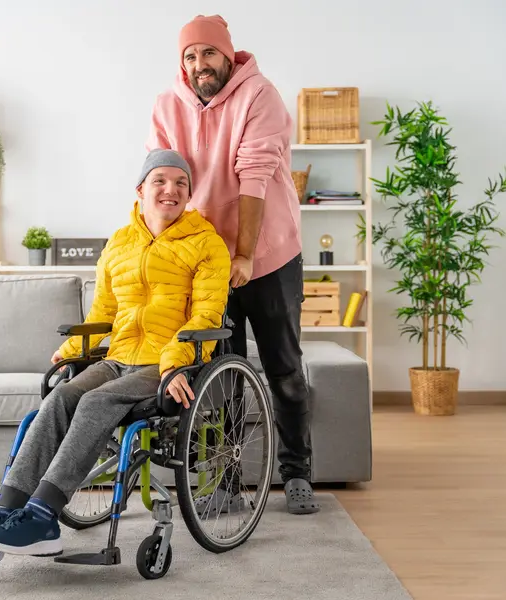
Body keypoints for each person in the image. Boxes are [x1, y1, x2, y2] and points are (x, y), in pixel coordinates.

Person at [0, 149, 231, 569]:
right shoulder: (120, 243)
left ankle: (43, 516)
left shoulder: (207, 244)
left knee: (95, 402)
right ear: (141, 189)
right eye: (160, 180)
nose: (171, 190)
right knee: (59, 399)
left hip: (167, 363)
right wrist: (72, 350)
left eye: (181, 183)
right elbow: (102, 314)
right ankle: (6, 511)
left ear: (189, 194)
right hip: (118, 356)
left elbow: (206, 315)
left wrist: (175, 362)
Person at [146, 14, 319, 515]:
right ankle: (224, 481)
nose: (200, 64)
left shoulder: (258, 94)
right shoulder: (166, 105)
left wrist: (243, 254)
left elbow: (254, 176)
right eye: (190, 56)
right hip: (205, 263)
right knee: (218, 376)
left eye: (209, 54)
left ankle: (297, 471)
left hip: (267, 257)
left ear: (228, 54)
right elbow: (162, 180)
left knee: (284, 369)